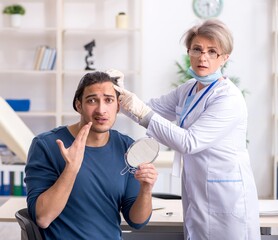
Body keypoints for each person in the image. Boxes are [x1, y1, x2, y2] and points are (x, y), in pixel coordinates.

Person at [114, 19, 261, 240]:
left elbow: (189, 142)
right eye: (197, 49)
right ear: (188, 52)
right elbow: (151, 109)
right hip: (198, 192)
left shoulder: (228, 98)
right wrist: (117, 95)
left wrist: (138, 109)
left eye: (213, 52)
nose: (203, 57)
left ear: (225, 58)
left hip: (226, 198)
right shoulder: (189, 90)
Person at [24, 71, 158, 240]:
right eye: (92, 100)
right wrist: (71, 169)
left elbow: (137, 221)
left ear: (118, 106)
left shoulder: (127, 147)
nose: (101, 110)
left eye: (108, 100)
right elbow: (43, 218)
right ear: (78, 105)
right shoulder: (46, 145)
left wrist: (146, 189)